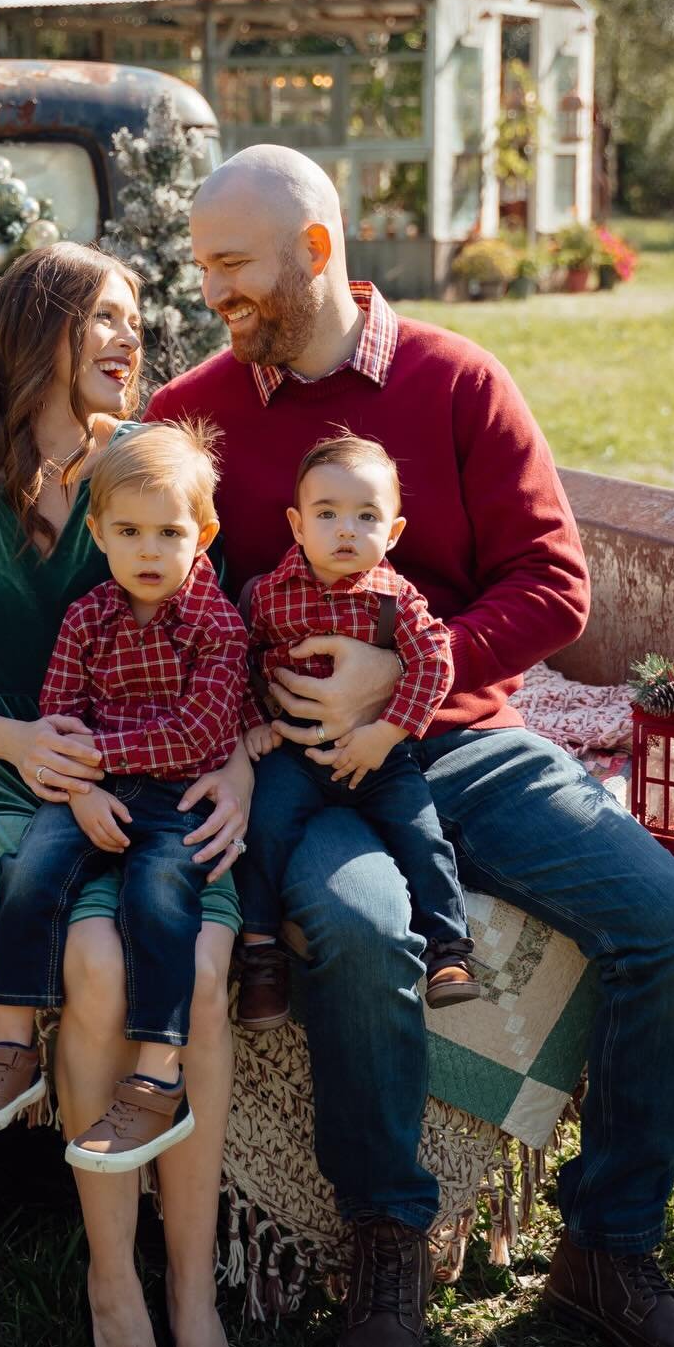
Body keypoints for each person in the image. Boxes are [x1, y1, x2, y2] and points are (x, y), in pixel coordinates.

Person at [146, 144, 674, 1347]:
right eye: (203, 266)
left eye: (234, 265)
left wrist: (403, 682)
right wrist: (260, 740)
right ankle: (386, 1244)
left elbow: (556, 585)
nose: (214, 292)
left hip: (468, 738)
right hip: (310, 767)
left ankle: (610, 1248)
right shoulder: (191, 413)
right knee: (364, 933)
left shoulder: (457, 379)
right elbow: (167, 605)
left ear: (317, 251)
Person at [0, 242, 246, 1347]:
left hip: (155, 784)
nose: (133, 339)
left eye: (137, 318)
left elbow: (212, 637)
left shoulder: (140, 474)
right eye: (108, 318)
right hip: (1, 788)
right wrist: (21, 743)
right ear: (40, 328)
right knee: (91, 956)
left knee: (203, 958)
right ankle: (111, 1281)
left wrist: (232, 763)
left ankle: (192, 1293)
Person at [0, 422, 247, 1173]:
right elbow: (59, 707)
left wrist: (95, 759)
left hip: (177, 795)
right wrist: (77, 789)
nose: (149, 550)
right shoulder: (87, 615)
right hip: (92, 788)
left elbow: (199, 736)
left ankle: (156, 1078)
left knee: (160, 895)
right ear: (101, 534)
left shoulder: (217, 626)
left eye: (169, 531)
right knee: (31, 865)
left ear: (202, 534)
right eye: (129, 531)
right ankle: (13, 1046)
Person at [233, 431, 478, 1030]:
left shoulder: (396, 599)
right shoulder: (268, 596)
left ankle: (449, 952)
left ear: (393, 532)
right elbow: (235, 659)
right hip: (295, 749)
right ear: (297, 525)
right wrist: (255, 723)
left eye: (366, 516)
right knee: (261, 827)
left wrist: (390, 732)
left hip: (377, 754)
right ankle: (262, 955)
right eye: (327, 514)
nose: (346, 530)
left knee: (421, 833)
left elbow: (435, 661)